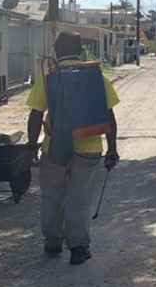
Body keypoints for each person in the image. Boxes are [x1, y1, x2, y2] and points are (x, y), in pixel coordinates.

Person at [27, 33, 120, 265]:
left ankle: (52, 242)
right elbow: (109, 116)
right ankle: (78, 248)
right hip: (88, 147)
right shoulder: (97, 78)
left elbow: (36, 114)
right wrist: (112, 149)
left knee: (52, 196)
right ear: (80, 51)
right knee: (79, 198)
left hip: (54, 146)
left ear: (57, 52)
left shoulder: (49, 78)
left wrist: (31, 146)